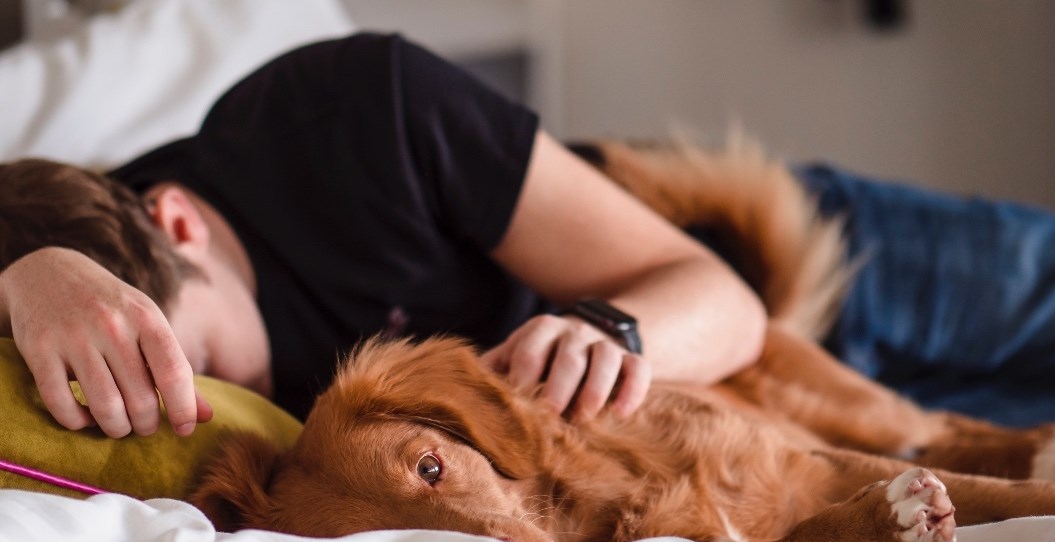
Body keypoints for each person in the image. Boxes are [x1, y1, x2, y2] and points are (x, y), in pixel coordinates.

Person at [0, 33, 767, 439]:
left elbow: (727, 300)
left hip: (732, 218)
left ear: (179, 225)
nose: (211, 409)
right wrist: (24, 275)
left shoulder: (365, 108)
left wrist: (608, 334)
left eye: (197, 364)